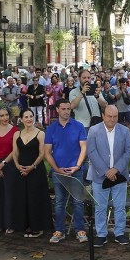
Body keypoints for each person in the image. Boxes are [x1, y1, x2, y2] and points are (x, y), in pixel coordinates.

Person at [86, 105, 130, 247]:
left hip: (120, 175)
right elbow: (92, 152)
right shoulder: (93, 131)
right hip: (100, 175)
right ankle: (101, 234)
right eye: (109, 116)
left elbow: (127, 152)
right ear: (103, 115)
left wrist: (116, 169)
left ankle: (119, 233)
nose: (112, 119)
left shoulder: (124, 131)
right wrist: (106, 171)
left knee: (120, 207)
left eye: (115, 116)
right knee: (100, 207)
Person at [44, 99, 89, 244]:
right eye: (63, 108)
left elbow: (84, 148)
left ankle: (80, 230)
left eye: (68, 109)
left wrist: (77, 166)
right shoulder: (51, 129)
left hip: (75, 171)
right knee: (59, 202)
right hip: (58, 172)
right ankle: (59, 231)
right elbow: (47, 152)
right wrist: (57, 169)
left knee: (78, 202)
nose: (66, 111)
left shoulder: (78, 126)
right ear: (57, 110)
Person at [10, 109, 51, 238]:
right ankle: (25, 225)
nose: (29, 119)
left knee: (35, 198)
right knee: (22, 198)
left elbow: (42, 153)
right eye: (26, 117)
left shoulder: (40, 134)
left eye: (31, 116)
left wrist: (32, 167)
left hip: (36, 170)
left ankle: (38, 227)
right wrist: (17, 165)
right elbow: (15, 152)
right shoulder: (17, 134)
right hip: (20, 170)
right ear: (21, 119)